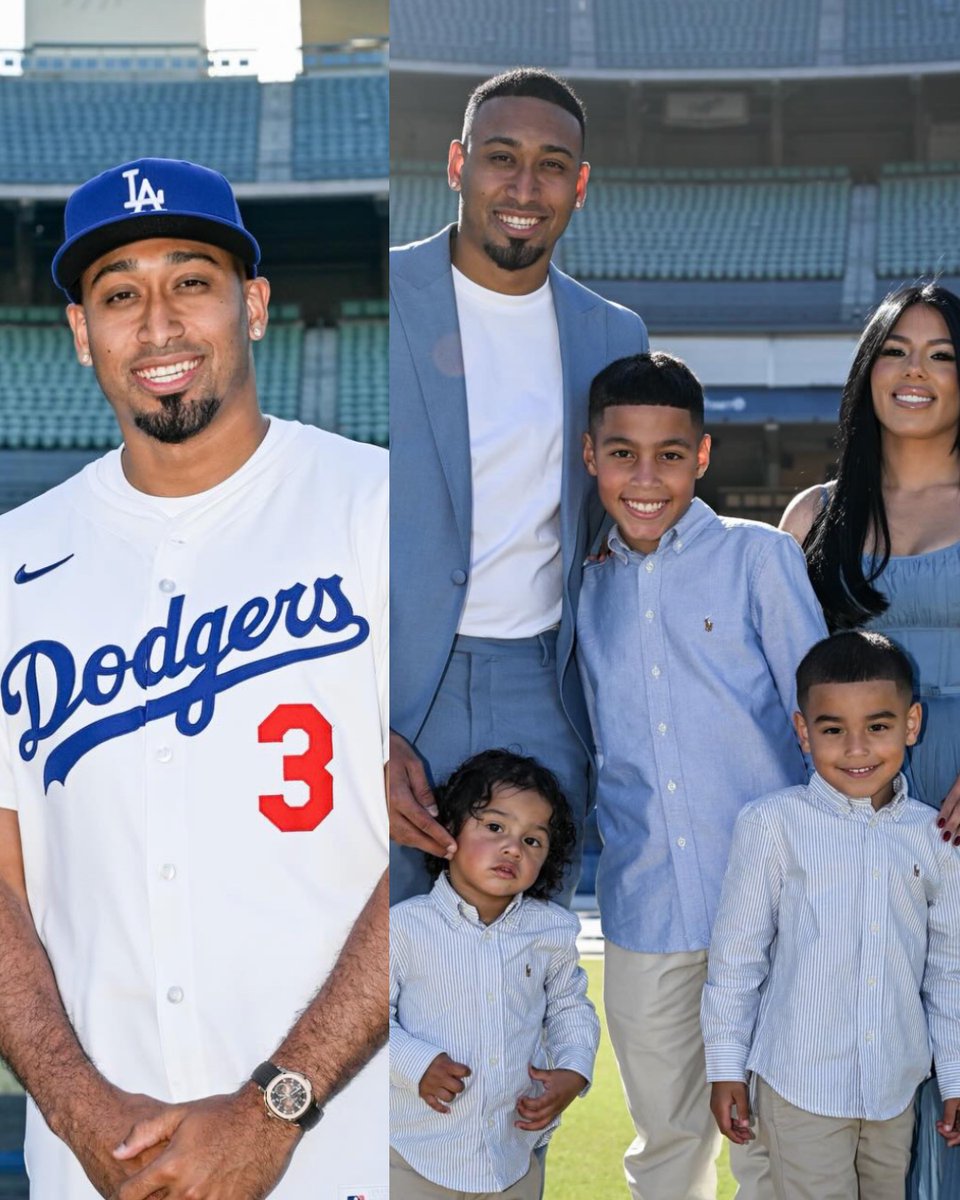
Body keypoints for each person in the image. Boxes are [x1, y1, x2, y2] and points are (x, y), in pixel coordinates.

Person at [0, 157, 388, 1199]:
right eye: (119, 294)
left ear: (253, 305)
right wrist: (82, 1112)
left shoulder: (380, 512)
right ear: (83, 334)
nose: (159, 323)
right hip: (96, 1169)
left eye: (193, 280)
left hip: (343, 1151)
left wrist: (279, 1102)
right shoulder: (11, 563)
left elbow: (437, 848)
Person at [389, 67, 648, 906]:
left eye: (550, 164)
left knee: (528, 968)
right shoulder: (388, 293)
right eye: (502, 157)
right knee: (381, 965)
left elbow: (636, 506)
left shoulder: (614, 335)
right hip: (395, 692)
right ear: (458, 164)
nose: (524, 187)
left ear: (579, 184)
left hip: (546, 684)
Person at [575, 352, 827, 1200]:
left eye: (670, 455)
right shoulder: (581, 586)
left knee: (773, 1136)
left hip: (768, 905)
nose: (646, 478)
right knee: (667, 1141)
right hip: (644, 908)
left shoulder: (760, 561)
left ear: (704, 456)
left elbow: (818, 728)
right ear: (589, 457)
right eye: (622, 454)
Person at [779, 280, 960, 1197]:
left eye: (941, 354)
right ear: (867, 372)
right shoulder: (816, 517)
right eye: (895, 351)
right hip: (857, 814)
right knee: (873, 1038)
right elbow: (782, 686)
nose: (915, 372)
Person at [702, 630, 960, 1200]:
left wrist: (955, 1076)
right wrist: (725, 1068)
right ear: (803, 731)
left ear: (911, 725)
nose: (857, 749)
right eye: (832, 729)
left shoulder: (936, 837)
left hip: (894, 1086)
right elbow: (737, 958)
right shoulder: (772, 826)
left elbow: (949, 971)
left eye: (878, 726)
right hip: (801, 1082)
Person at [389, 748, 600, 1200]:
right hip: (413, 1155)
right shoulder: (404, 927)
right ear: (449, 829)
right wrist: (416, 1064)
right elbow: (368, 1021)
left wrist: (573, 1069)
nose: (512, 847)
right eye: (494, 827)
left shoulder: (551, 929)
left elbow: (570, 1007)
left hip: (512, 1156)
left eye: (533, 840)